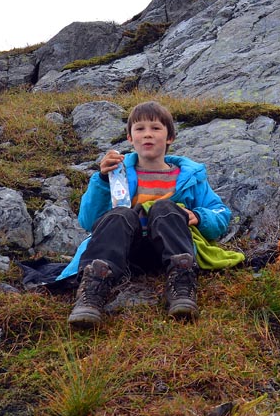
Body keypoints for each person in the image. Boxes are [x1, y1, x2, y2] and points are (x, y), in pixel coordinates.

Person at [61, 101, 232, 328]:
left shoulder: (191, 177)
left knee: (164, 208)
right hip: (124, 253)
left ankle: (182, 286)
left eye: (155, 128)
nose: (147, 135)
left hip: (170, 252)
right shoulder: (115, 174)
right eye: (139, 129)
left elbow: (221, 214)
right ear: (130, 138)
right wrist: (102, 181)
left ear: (170, 137)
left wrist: (199, 217)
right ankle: (92, 292)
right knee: (121, 214)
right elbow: (89, 221)